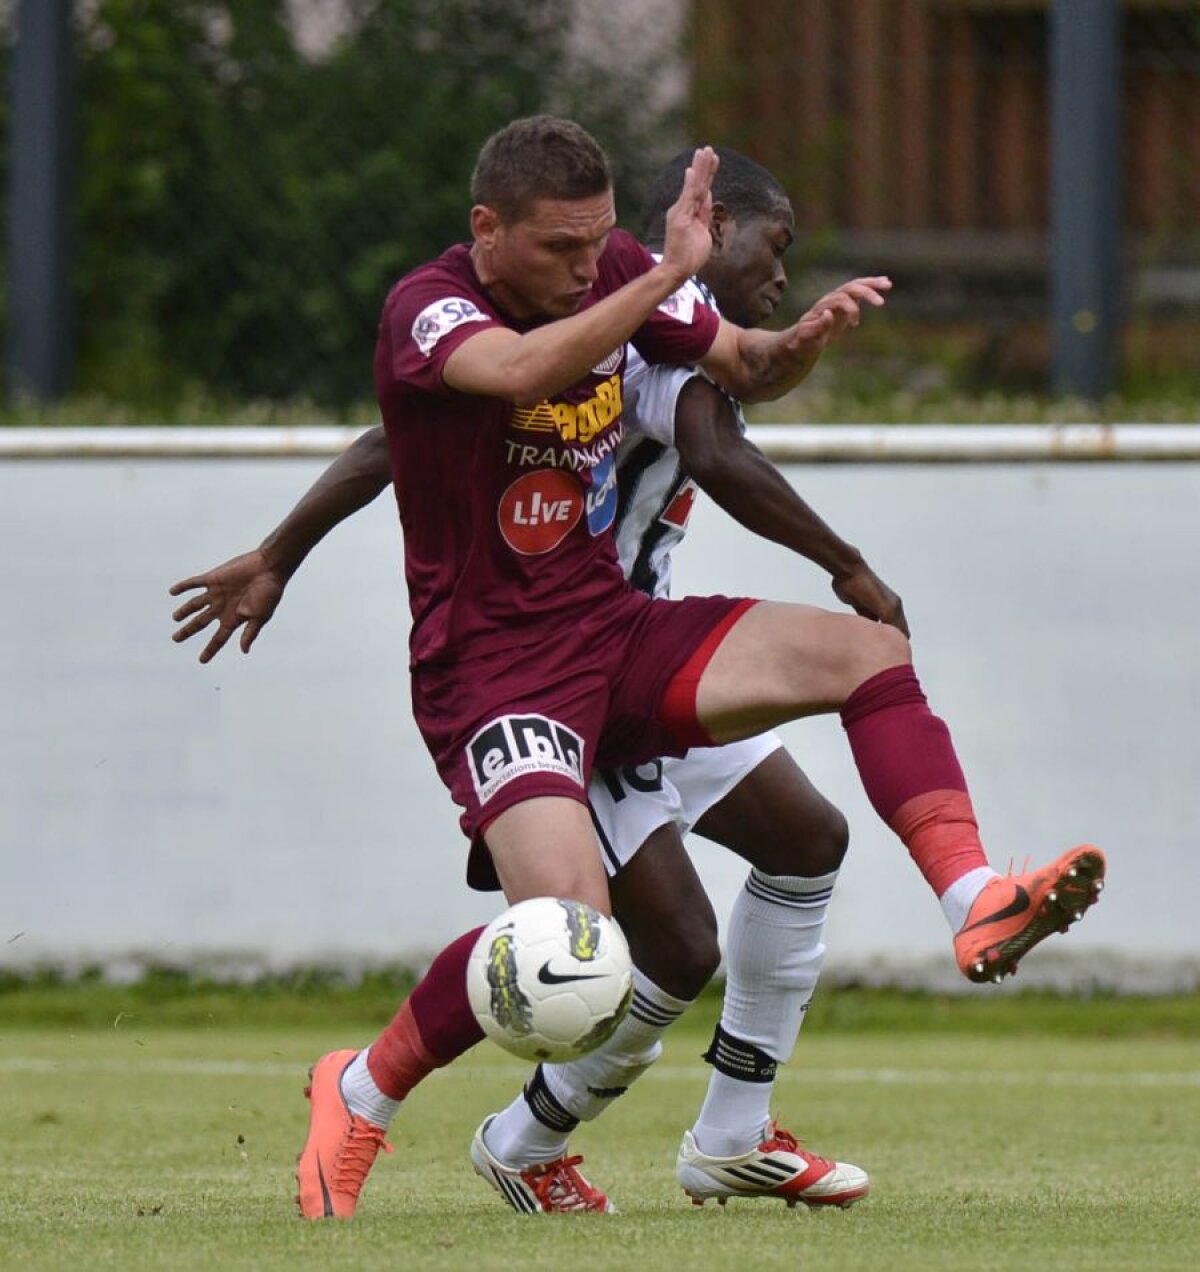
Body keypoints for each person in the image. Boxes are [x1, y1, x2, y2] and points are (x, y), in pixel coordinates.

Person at [172, 119, 1105, 1218]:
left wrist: (799, 337)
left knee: (864, 656)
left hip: (614, 628)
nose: (587, 265)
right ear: (487, 231)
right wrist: (664, 272)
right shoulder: (428, 309)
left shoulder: (620, 270)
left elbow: (741, 366)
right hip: (496, 676)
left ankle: (976, 896)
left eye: (600, 242)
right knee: (575, 949)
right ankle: (365, 1087)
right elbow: (514, 373)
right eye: (564, 249)